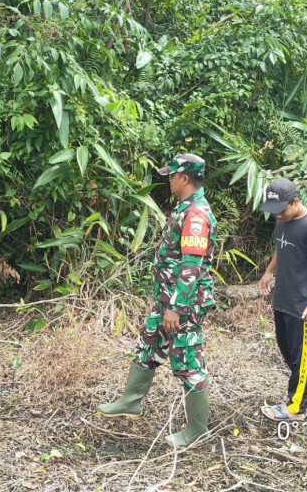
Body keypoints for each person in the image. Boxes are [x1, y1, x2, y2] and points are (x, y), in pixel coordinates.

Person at [97, 153, 217, 447]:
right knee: (147, 344)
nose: (169, 180)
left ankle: (197, 430)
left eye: (172, 175)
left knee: (188, 362)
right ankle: (131, 401)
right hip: (167, 300)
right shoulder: (183, 208)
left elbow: (191, 267)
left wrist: (176, 308)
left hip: (183, 305)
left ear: (184, 179)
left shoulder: (196, 216)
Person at [258, 178, 307, 420]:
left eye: (281, 210)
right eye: (273, 211)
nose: (277, 216)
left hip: (303, 304)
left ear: (295, 201)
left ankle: (295, 406)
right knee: (287, 350)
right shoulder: (283, 221)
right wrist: (269, 271)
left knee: (302, 356)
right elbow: (281, 247)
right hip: (283, 298)